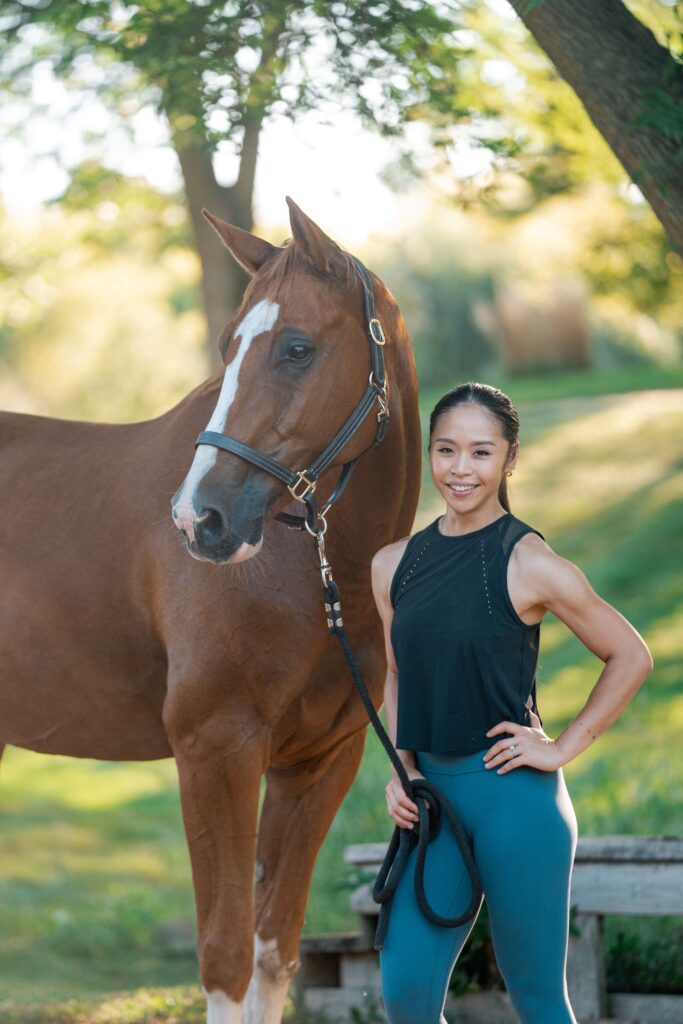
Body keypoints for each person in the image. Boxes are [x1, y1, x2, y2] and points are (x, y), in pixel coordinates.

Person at [370, 381, 654, 1024]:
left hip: (515, 803)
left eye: (480, 452)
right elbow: (395, 674)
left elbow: (631, 655)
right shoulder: (392, 566)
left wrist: (561, 747)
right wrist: (402, 770)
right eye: (446, 451)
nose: (460, 469)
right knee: (406, 997)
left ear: (508, 459)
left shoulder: (530, 563)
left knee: (537, 1001)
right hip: (431, 806)